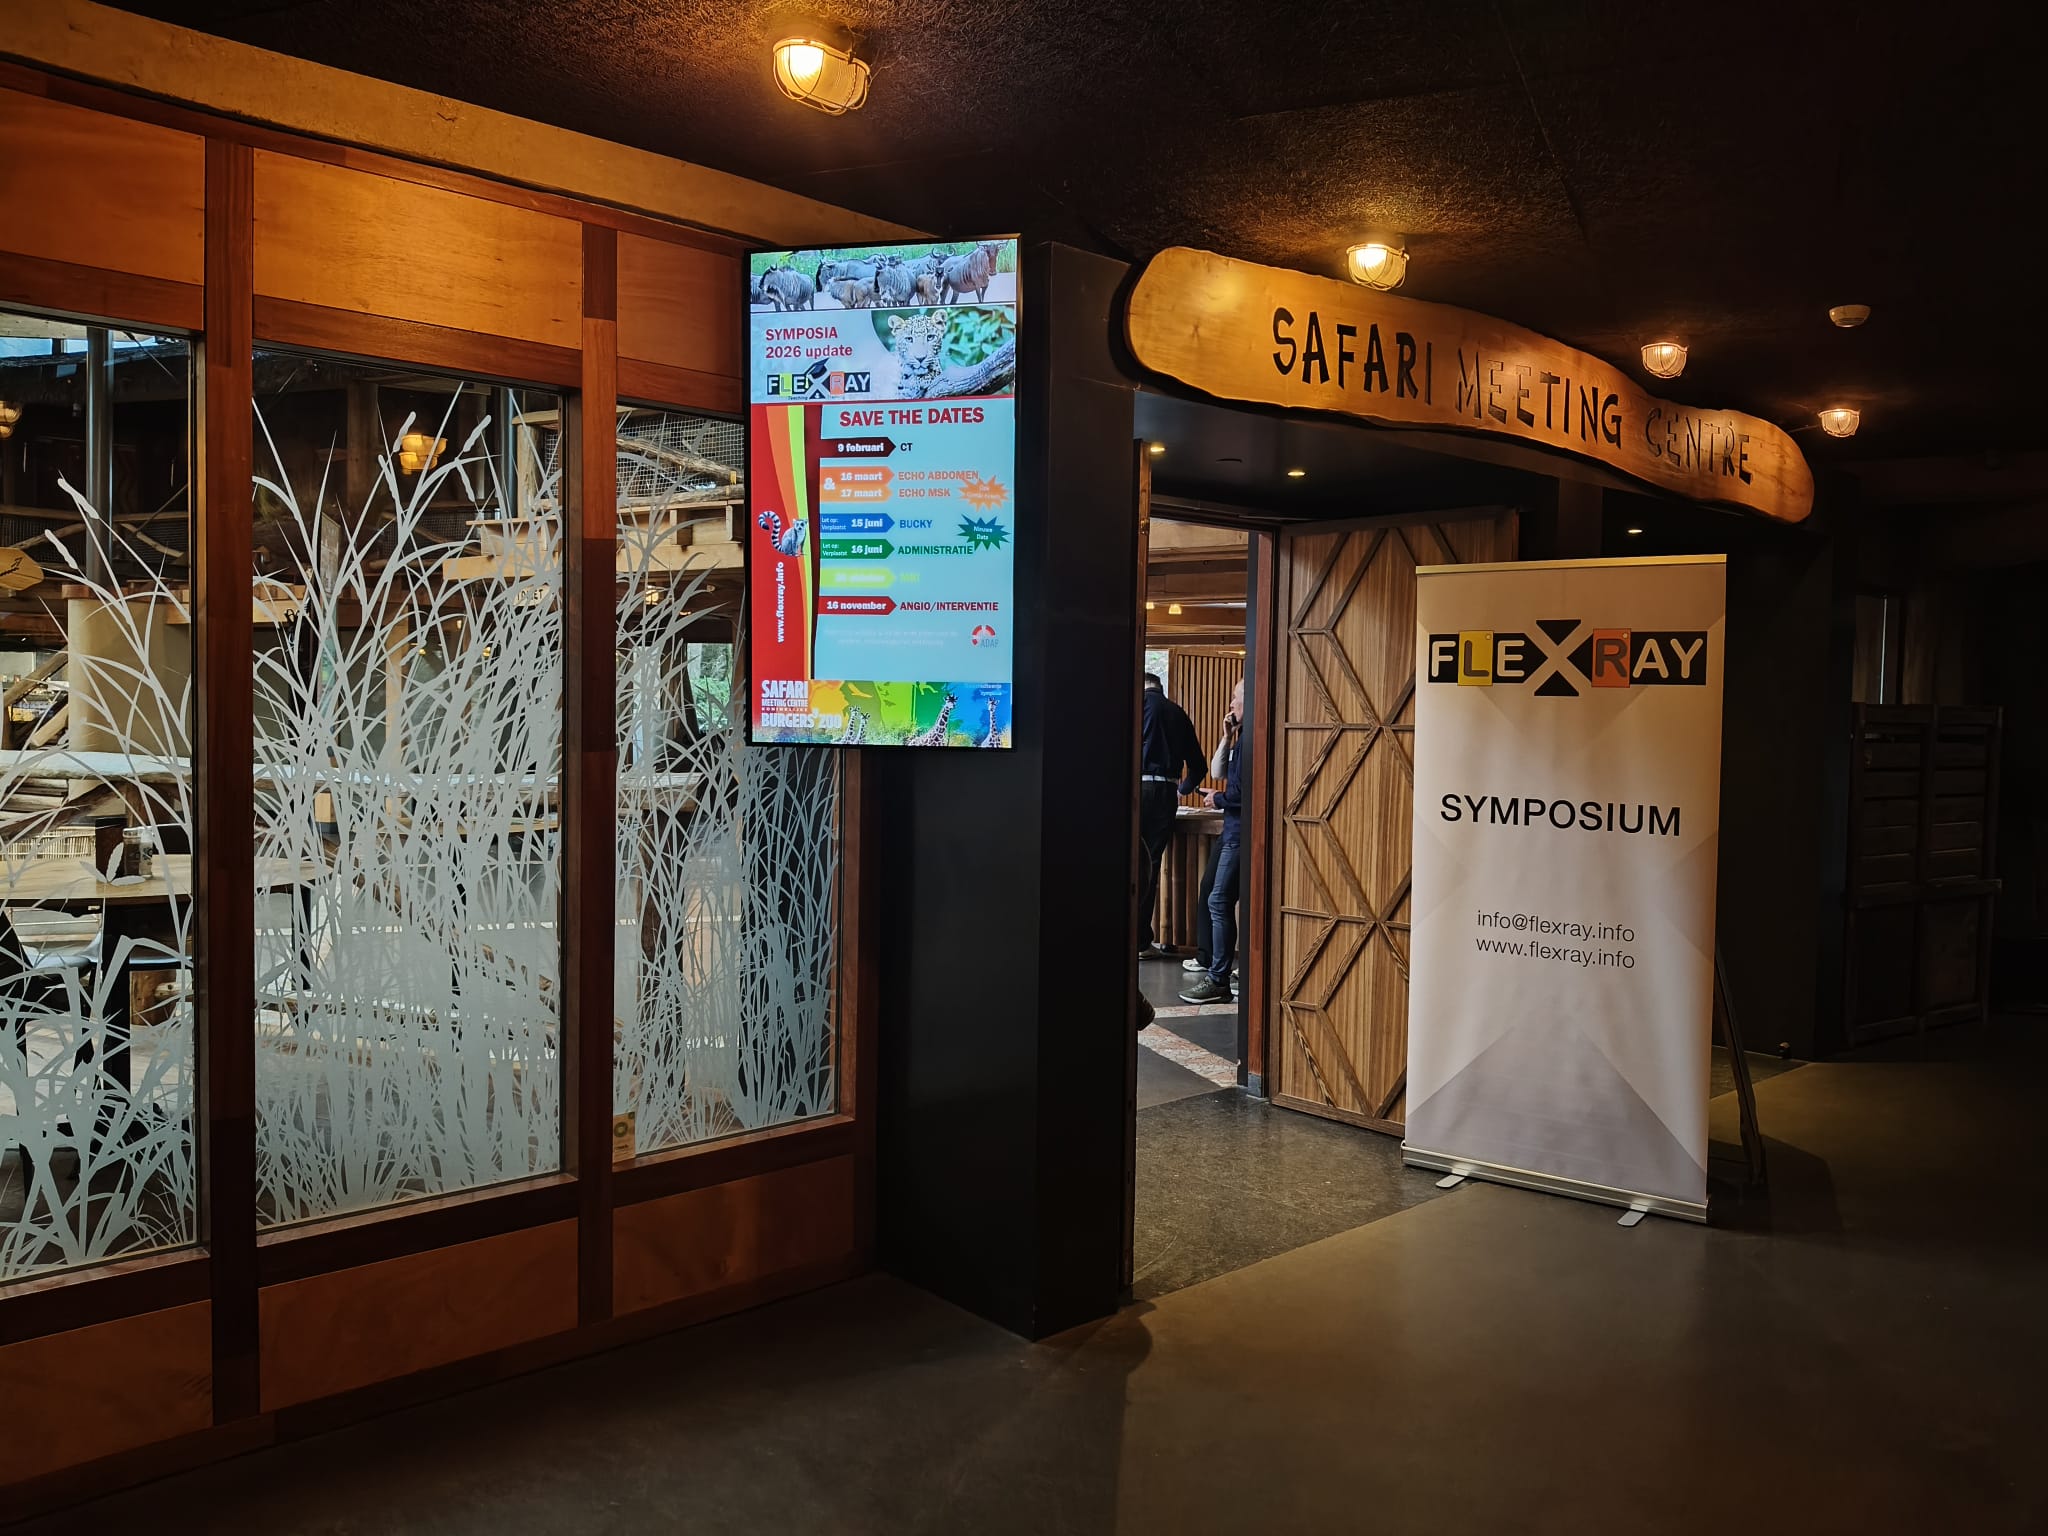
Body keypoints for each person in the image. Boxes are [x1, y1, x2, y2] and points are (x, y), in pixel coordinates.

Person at [1180, 676, 1244, 1005]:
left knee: (1219, 900)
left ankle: (1219, 978)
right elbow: (1219, 772)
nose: (1230, 704)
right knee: (1215, 896)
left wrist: (1218, 799)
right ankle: (1219, 973)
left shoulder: (1253, 740)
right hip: (1231, 830)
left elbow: (1244, 793)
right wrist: (1227, 735)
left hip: (1239, 832)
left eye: (1235, 697)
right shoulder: (1241, 738)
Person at [1138, 673, 1206, 961]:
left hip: (1136, 789)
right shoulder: (1178, 713)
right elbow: (1199, 766)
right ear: (1161, 687)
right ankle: (1141, 942)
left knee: (1128, 861)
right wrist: (1181, 790)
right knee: (1150, 865)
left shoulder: (1135, 706)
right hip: (1165, 793)